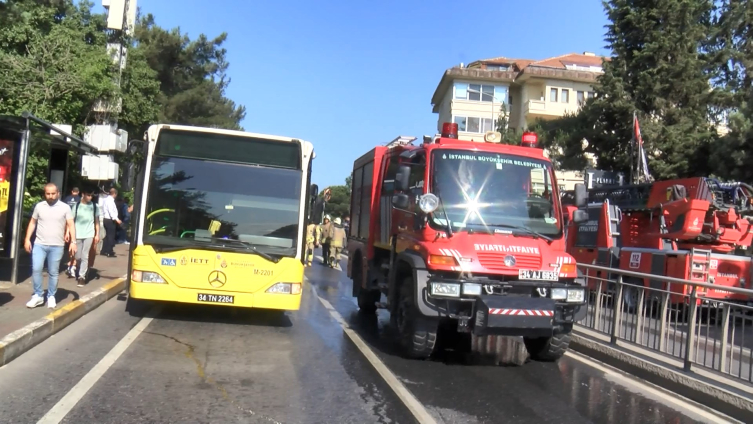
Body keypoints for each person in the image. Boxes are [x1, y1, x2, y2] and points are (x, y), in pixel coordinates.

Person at [24, 183, 76, 309]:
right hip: (39, 244)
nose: (51, 196)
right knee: (36, 269)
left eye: (53, 193)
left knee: (53, 272)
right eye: (48, 193)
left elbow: (71, 224)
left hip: (57, 245)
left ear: (57, 193)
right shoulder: (39, 206)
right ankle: (38, 295)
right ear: (45, 193)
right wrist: (26, 239)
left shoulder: (65, 208)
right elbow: (32, 223)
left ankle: (51, 296)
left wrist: (73, 242)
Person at [71, 187, 100, 287]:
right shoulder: (77, 206)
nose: (90, 197)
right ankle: (83, 268)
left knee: (85, 255)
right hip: (77, 234)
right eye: (88, 195)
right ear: (83, 194)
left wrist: (97, 234)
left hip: (89, 234)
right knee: (77, 256)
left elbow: (97, 222)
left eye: (91, 195)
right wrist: (68, 232)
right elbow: (71, 221)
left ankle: (81, 277)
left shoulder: (95, 206)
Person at [100, 187, 121, 257]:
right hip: (110, 220)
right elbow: (111, 211)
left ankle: (103, 250)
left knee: (107, 236)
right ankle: (109, 251)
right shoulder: (110, 201)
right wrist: (116, 219)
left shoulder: (106, 200)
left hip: (106, 219)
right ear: (114, 194)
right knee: (111, 236)